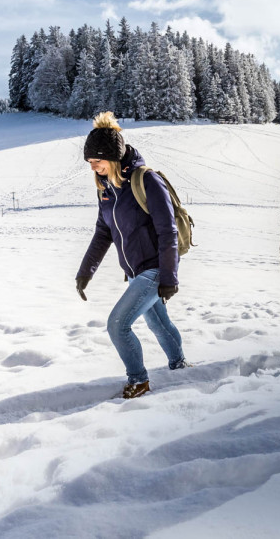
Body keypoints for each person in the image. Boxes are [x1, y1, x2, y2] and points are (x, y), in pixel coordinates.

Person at [75, 111, 187, 399]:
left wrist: (169, 276)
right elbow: (103, 233)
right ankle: (180, 365)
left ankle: (138, 380)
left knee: (118, 325)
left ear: (111, 157)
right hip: (135, 272)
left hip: (154, 270)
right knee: (158, 322)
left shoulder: (146, 180)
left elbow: (168, 231)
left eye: (97, 161)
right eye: (89, 163)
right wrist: (85, 272)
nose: (93, 168)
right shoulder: (107, 190)